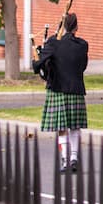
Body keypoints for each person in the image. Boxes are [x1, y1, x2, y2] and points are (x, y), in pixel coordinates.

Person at [34, 13, 89, 173]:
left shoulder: (53, 43)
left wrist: (40, 51)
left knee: (62, 128)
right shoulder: (82, 45)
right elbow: (83, 66)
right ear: (76, 27)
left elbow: (37, 65)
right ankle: (74, 158)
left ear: (62, 27)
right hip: (76, 89)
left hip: (58, 89)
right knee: (75, 126)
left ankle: (65, 159)